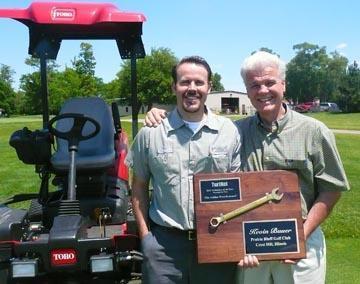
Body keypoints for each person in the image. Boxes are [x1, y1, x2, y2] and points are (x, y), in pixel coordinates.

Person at [144, 51, 350, 284]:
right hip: (248, 243)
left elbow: (331, 189)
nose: (263, 91)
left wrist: (302, 234)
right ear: (247, 90)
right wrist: (160, 114)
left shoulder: (314, 131)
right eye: (254, 85)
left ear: (283, 84)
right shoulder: (235, 131)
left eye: (269, 82)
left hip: (301, 240)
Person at [125, 56, 241, 284]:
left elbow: (238, 189)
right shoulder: (151, 133)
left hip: (216, 242)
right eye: (185, 82)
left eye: (199, 83)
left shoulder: (229, 131)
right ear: (174, 87)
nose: (192, 89)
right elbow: (138, 187)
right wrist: (146, 237)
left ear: (210, 87)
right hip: (164, 247)